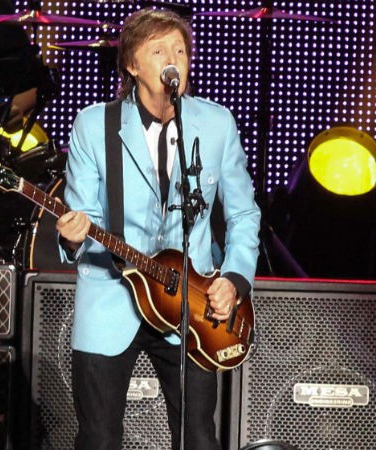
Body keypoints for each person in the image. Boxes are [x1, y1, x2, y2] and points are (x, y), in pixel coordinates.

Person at [55, 8, 261, 450]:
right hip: (111, 299)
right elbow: (83, 213)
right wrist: (72, 236)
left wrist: (234, 279)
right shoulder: (95, 126)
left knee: (199, 438)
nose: (174, 59)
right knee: (98, 439)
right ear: (132, 64)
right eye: (159, 50)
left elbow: (244, 214)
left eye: (181, 49)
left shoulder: (216, 124)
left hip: (193, 305)